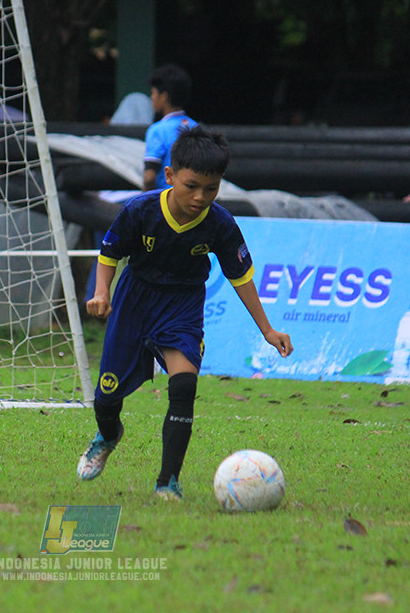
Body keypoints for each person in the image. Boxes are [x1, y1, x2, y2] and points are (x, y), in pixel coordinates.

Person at [77, 126, 293, 500]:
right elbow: (110, 252)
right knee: (106, 397)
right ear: (170, 176)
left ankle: (167, 482)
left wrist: (267, 329)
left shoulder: (220, 224)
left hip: (182, 305)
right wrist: (101, 292)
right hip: (134, 300)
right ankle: (109, 434)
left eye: (211, 189)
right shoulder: (140, 210)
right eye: (191, 186)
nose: (200, 197)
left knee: (183, 386)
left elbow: (240, 276)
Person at [143, 64, 198, 191]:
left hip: (167, 201)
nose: (152, 98)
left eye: (153, 92)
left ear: (164, 96)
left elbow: (149, 177)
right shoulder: (197, 127)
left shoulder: (157, 130)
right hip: (193, 201)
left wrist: (144, 201)